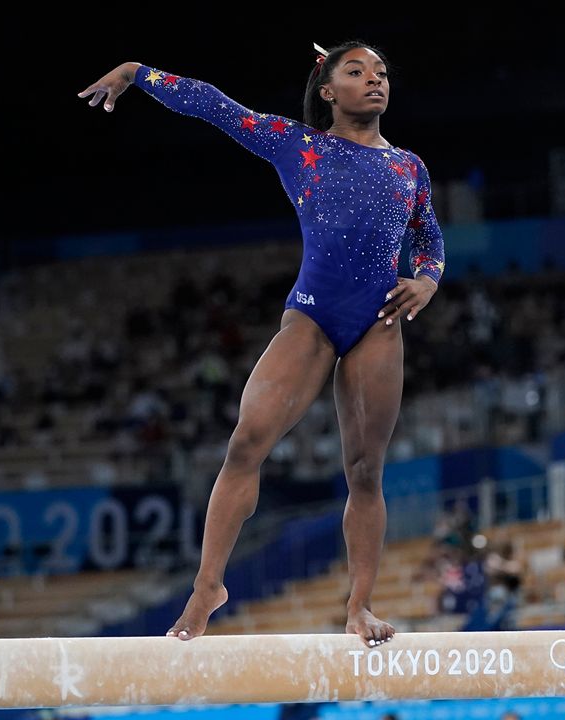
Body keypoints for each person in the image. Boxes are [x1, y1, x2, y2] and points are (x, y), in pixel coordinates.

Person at [77, 41, 445, 647]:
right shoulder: (299, 143)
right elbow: (215, 106)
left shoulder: (409, 166)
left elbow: (428, 231)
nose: (374, 80)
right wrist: (140, 74)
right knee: (246, 442)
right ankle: (207, 589)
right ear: (328, 90)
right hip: (315, 316)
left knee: (365, 469)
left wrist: (428, 278)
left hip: (379, 318)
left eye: (381, 72)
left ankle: (360, 606)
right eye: (356, 72)